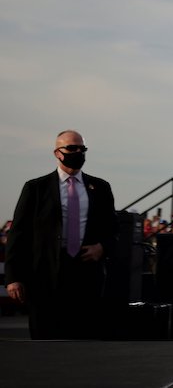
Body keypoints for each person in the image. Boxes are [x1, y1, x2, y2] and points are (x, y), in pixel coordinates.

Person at [5, 130, 117, 339]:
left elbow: (113, 230)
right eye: (72, 148)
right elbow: (18, 233)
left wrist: (102, 247)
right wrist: (13, 277)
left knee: (84, 337)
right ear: (57, 153)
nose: (78, 152)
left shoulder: (100, 188)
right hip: (45, 273)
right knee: (45, 337)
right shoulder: (36, 188)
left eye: (82, 149)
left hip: (85, 272)